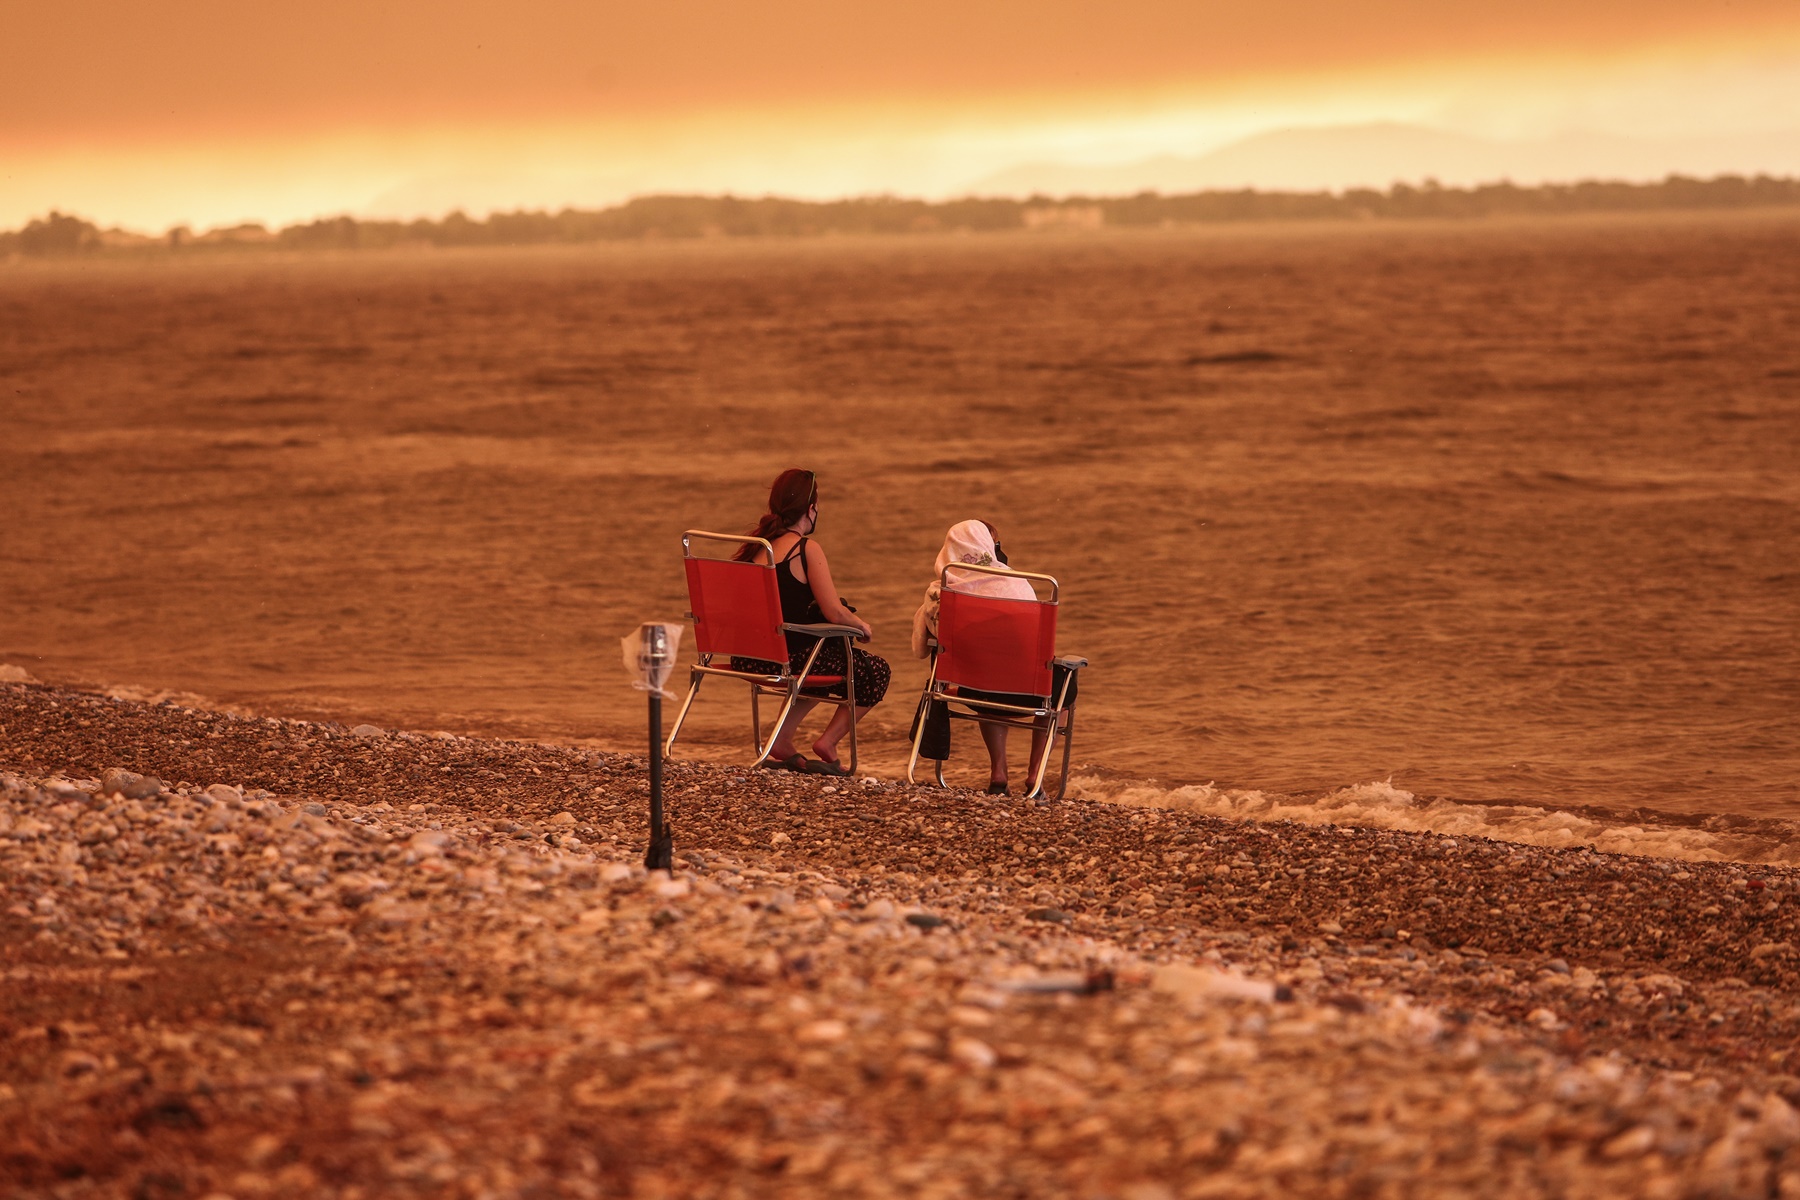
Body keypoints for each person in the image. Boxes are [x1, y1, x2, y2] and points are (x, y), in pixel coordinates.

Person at [729, 468, 890, 775]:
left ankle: (782, 739)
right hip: (786, 662)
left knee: (820, 655)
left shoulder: (754, 549)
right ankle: (828, 742)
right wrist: (861, 626)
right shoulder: (805, 550)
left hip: (748, 659)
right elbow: (834, 613)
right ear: (811, 508)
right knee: (875, 670)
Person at [910, 520, 1078, 795]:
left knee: (983, 668)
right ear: (989, 549)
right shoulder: (1016, 585)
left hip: (969, 690)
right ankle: (1034, 774)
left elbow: (926, 644)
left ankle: (998, 773)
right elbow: (1029, 640)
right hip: (1028, 693)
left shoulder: (941, 593)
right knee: (1064, 686)